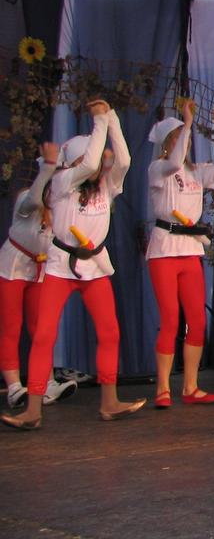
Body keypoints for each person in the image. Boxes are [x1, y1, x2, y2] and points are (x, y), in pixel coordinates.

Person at [2, 100, 146, 429]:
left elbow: (124, 159)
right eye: (85, 162)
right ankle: (33, 410)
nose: (95, 167)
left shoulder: (107, 185)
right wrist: (99, 121)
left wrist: (111, 119)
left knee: (109, 332)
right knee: (44, 335)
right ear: (74, 163)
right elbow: (92, 160)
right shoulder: (62, 182)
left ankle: (109, 402)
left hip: (94, 266)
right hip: (60, 267)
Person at [147, 101, 214, 408]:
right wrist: (187, 123)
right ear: (166, 143)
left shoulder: (197, 172)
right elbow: (174, 163)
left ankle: (190, 386)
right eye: (176, 138)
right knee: (170, 318)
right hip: (164, 249)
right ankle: (163, 387)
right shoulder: (158, 169)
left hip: (189, 250)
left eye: (183, 138)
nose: (182, 143)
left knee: (197, 320)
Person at [0, 144, 77, 408]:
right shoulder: (26, 198)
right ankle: (13, 387)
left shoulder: (60, 210)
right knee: (11, 326)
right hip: (12, 267)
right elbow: (35, 198)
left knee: (41, 327)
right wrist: (48, 167)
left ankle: (46, 383)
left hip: (39, 269)